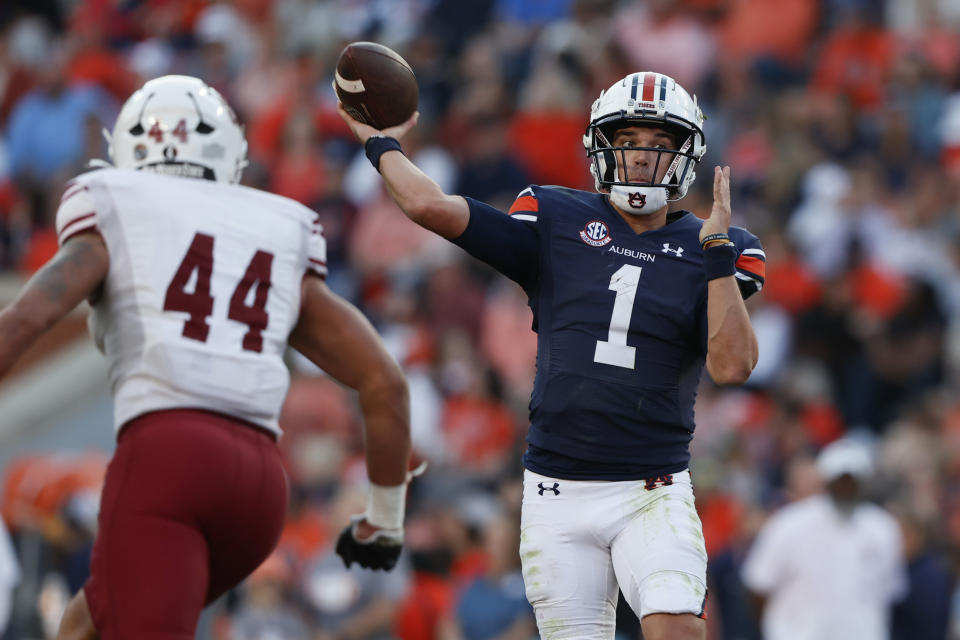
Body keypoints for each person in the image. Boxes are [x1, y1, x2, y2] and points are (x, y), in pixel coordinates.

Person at [337, 70, 765, 640]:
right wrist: (379, 141)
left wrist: (714, 259)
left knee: (676, 628)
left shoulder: (719, 245)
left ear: (686, 156)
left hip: (651, 491)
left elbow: (733, 367)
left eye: (659, 145)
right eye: (629, 141)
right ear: (601, 147)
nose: (642, 158)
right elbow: (428, 205)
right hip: (555, 492)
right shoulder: (555, 217)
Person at [0, 74, 412, 640]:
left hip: (169, 458)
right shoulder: (279, 225)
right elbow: (384, 382)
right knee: (85, 624)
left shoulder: (115, 204)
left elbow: (25, 321)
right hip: (260, 487)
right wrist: (385, 520)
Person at [740, 438, 906, 640]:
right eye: (840, 480)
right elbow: (758, 586)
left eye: (852, 481)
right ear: (827, 481)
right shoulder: (790, 523)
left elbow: (889, 592)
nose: (846, 487)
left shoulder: (882, 527)